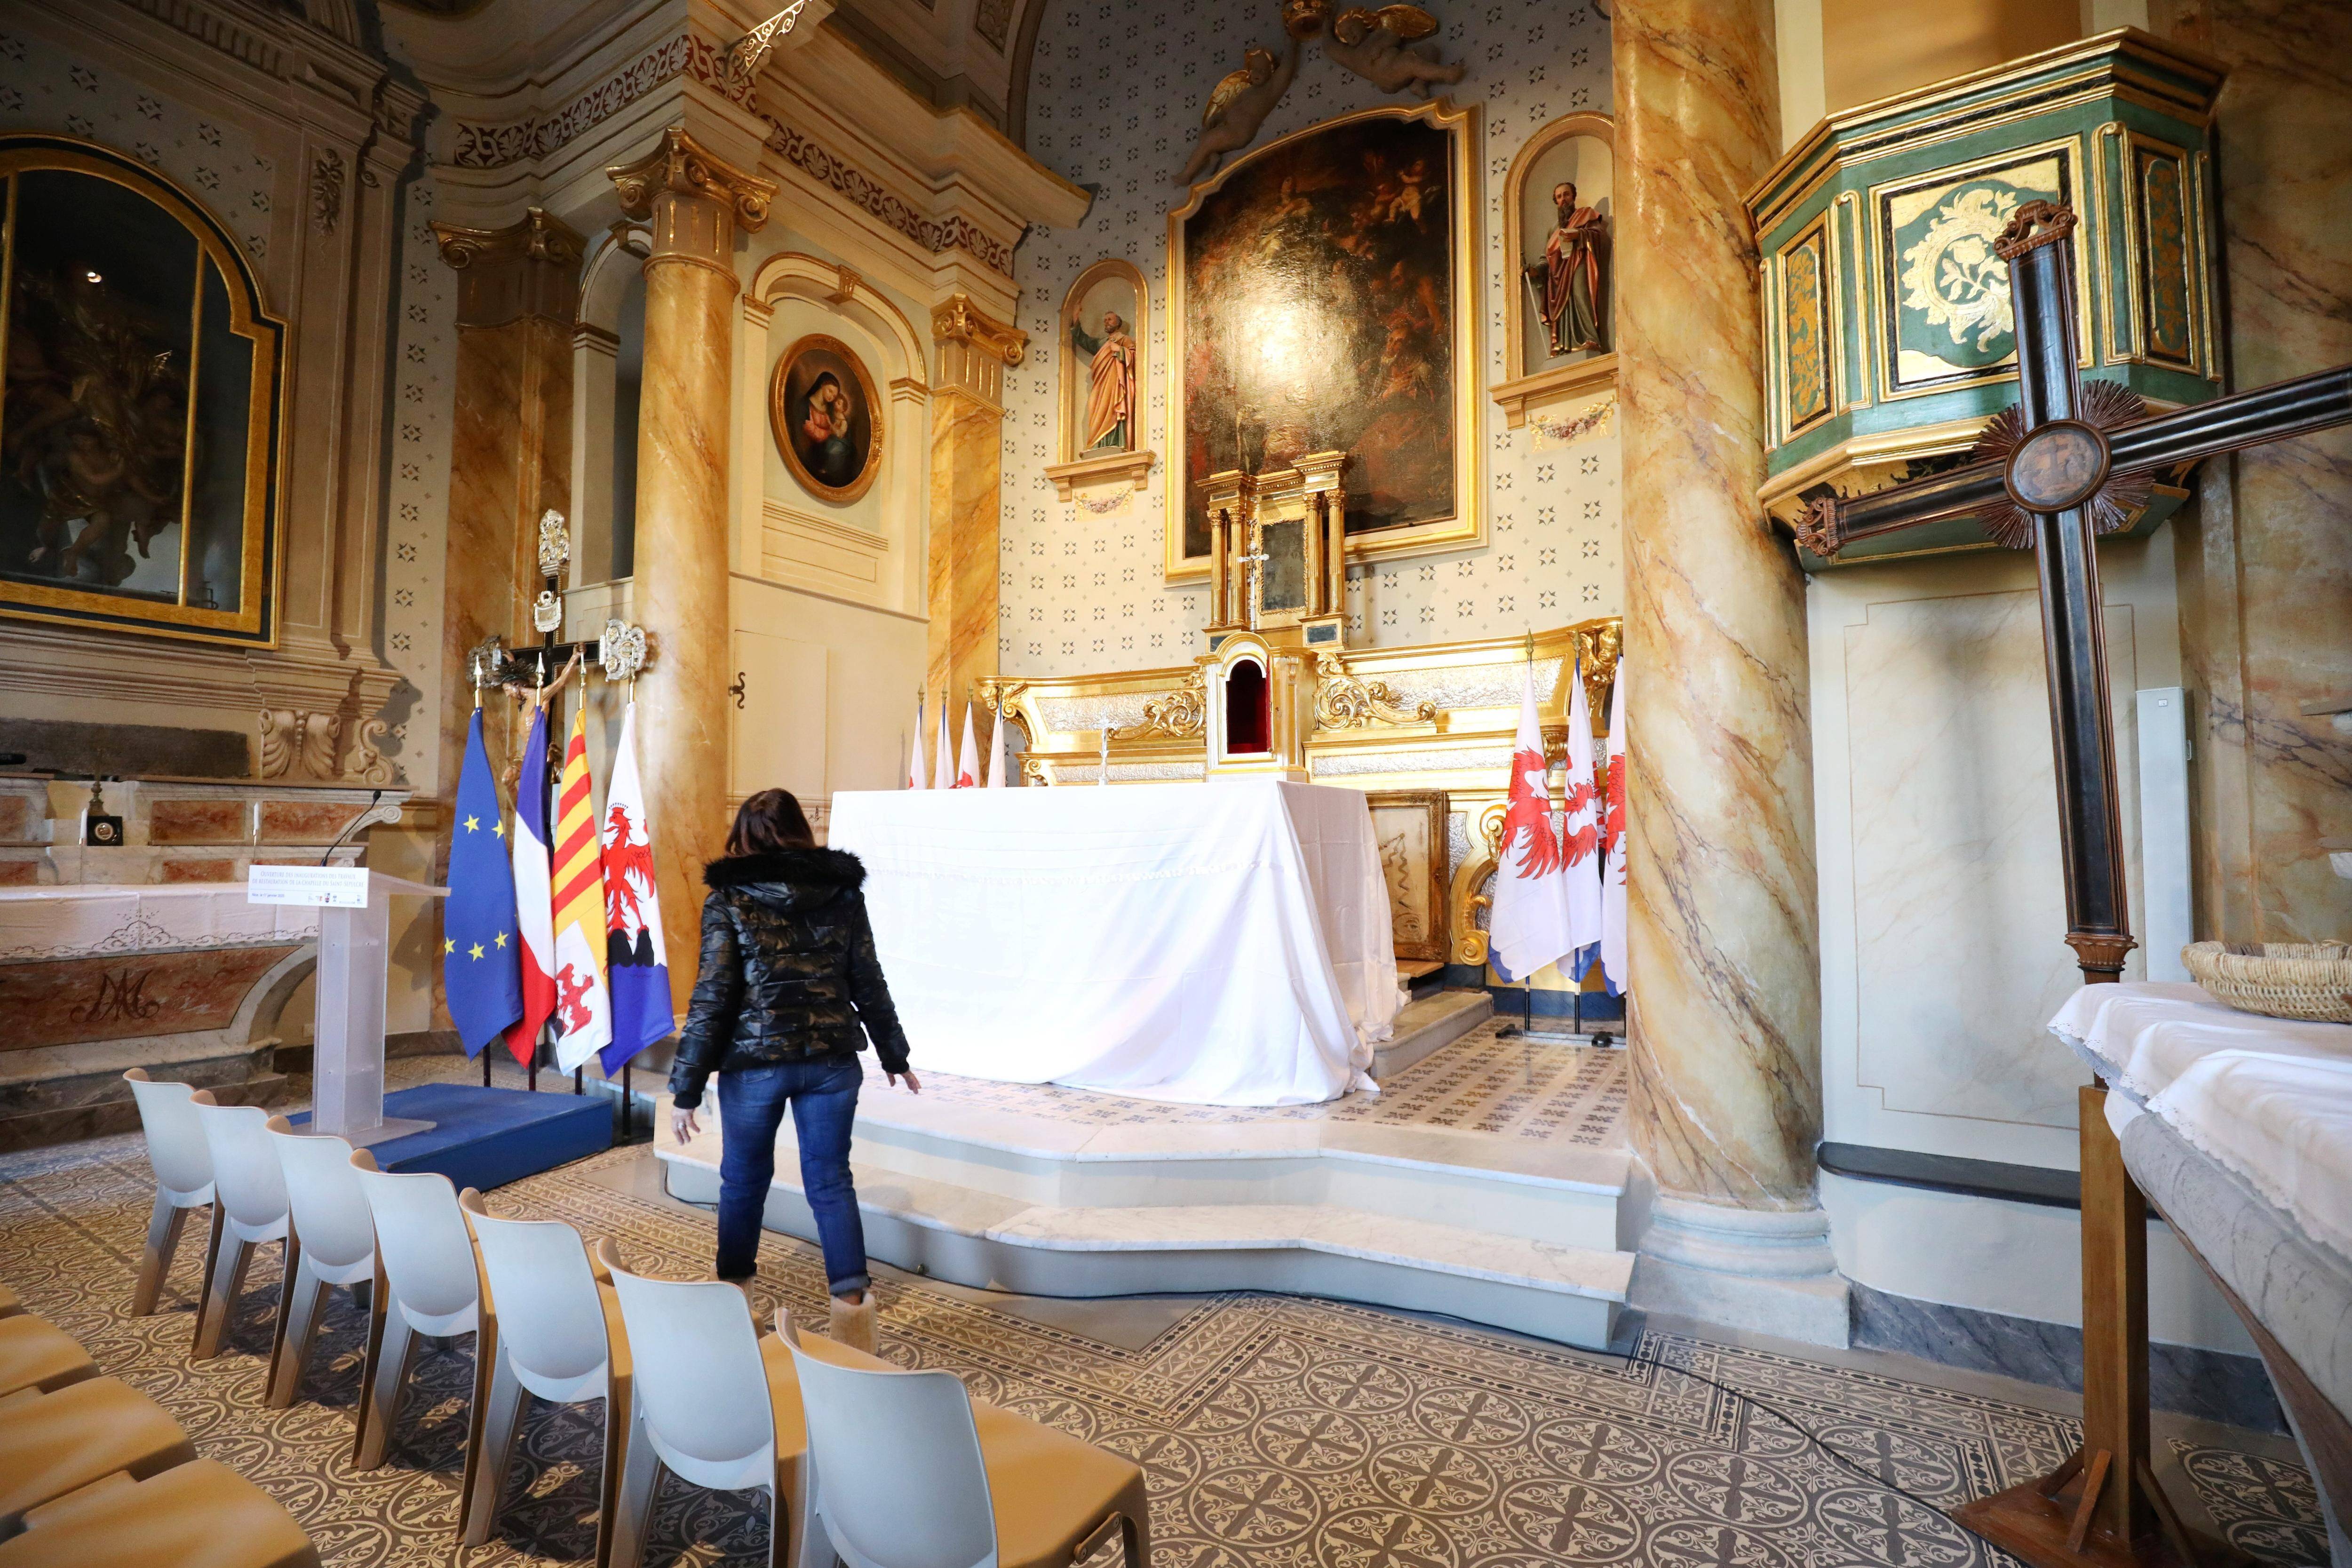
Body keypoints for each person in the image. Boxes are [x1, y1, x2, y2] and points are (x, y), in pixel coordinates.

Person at [668, 788, 919, 1352]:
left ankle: (733, 1308)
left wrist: (685, 1088)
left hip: (755, 1064)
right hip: (831, 1062)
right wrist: (894, 1055)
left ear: (744, 836)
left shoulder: (729, 898)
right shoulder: (841, 892)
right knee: (830, 1182)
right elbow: (867, 978)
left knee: (742, 1182)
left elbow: (713, 996)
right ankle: (853, 1326)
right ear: (800, 830)